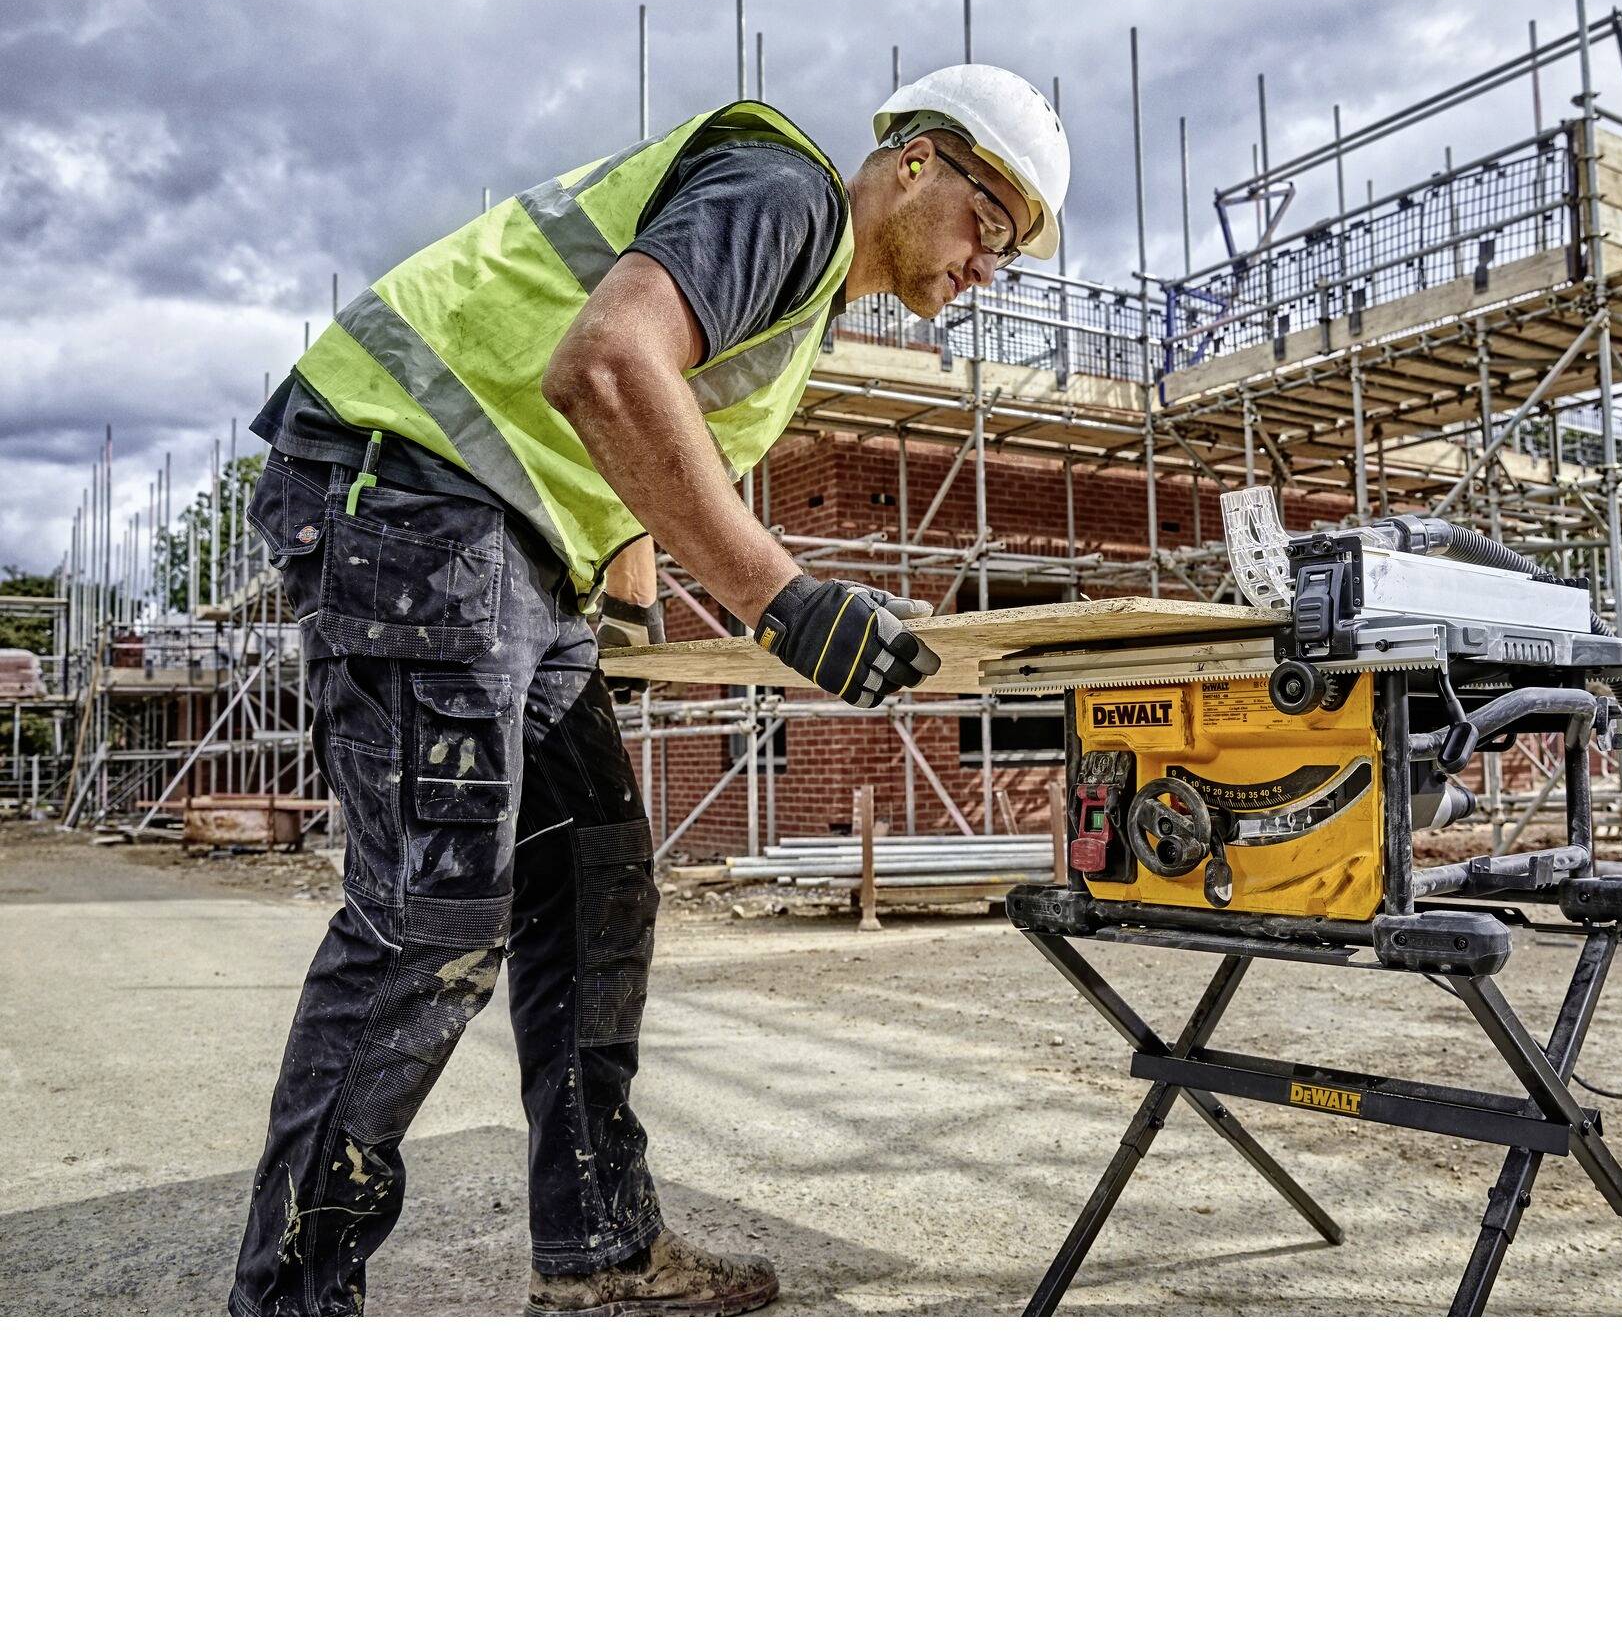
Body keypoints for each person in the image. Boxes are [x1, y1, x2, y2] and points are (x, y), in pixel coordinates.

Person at [228, 66, 1070, 1316]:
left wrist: (627, 616)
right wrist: (783, 600)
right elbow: (609, 361)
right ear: (914, 165)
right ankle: (287, 1305)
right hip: (408, 493)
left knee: (596, 876)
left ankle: (599, 1250)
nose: (985, 266)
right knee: (432, 917)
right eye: (986, 225)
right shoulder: (786, 199)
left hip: (503, 545)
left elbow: (634, 459)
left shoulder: (795, 314)